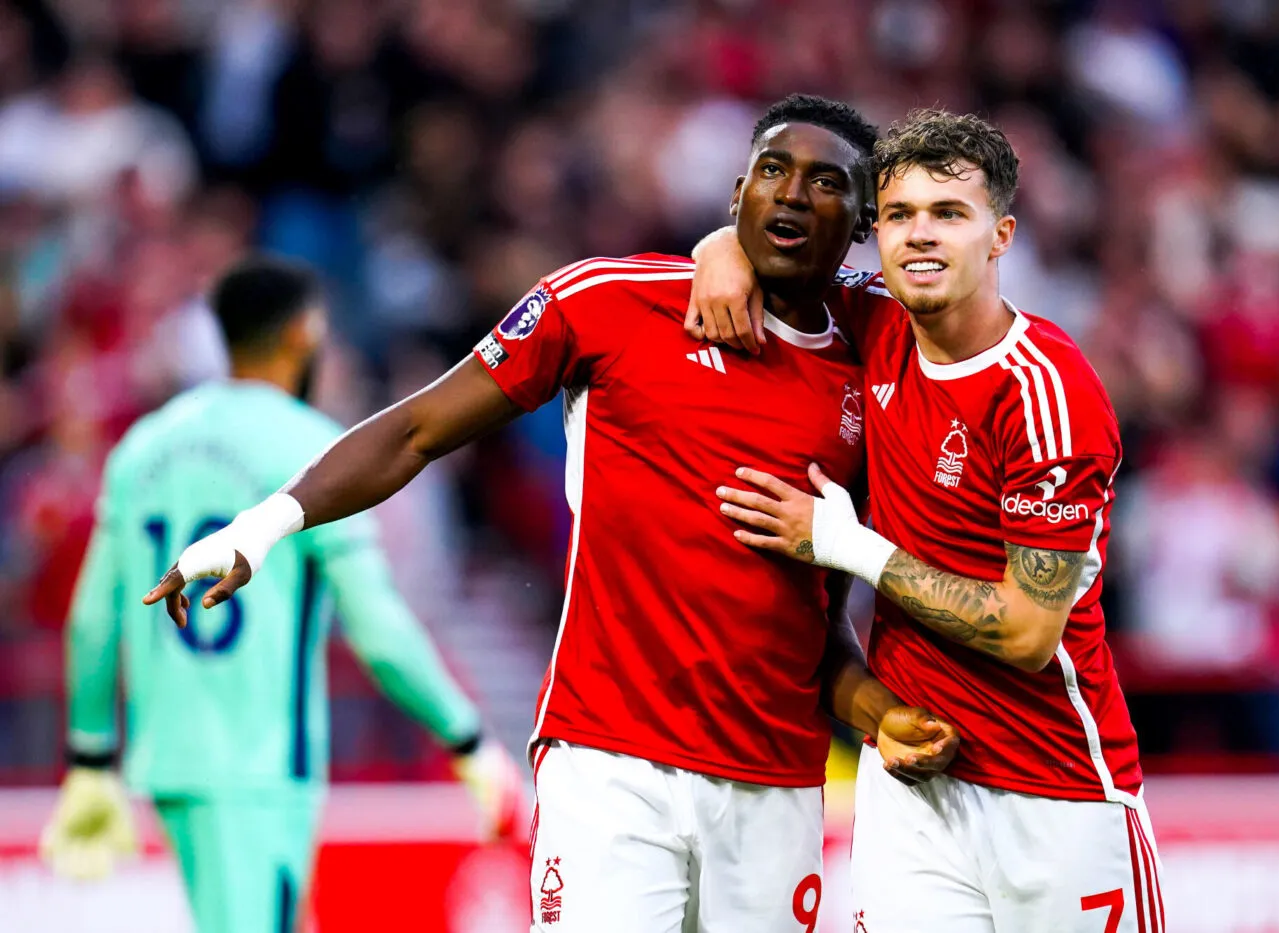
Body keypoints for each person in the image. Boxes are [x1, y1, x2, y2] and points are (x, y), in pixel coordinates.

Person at [143, 95, 961, 933]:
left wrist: (878, 714)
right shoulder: (607, 302)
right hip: (610, 764)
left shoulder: (879, 357)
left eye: (825, 182)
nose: (790, 193)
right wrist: (263, 525)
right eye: (772, 171)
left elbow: (812, 618)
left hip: (775, 784)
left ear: (863, 221)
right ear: (735, 193)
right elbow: (418, 428)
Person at [691, 109, 1164, 932]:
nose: (921, 235)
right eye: (900, 214)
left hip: (1055, 793)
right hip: (911, 789)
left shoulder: (1045, 395)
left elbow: (1027, 632)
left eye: (949, 213)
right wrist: (719, 248)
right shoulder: (876, 318)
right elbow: (769, 245)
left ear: (1001, 235)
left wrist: (848, 547)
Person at [41, 257, 515, 933]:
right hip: (257, 767)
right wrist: (466, 738)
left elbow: (93, 617)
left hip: (169, 757)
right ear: (304, 333)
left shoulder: (143, 447)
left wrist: (90, 754)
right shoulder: (315, 452)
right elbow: (377, 627)